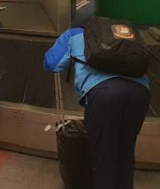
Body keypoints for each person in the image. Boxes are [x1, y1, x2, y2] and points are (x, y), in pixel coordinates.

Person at [44, 27, 150, 189]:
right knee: (126, 151)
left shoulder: (74, 34)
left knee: (103, 157)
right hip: (140, 92)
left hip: (105, 94)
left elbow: (52, 64)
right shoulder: (124, 34)